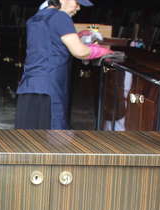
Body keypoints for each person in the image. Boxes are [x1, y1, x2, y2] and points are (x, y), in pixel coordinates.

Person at [14, 0, 113, 129]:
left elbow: (50, 43)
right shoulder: (61, 17)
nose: (78, 8)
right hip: (49, 90)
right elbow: (80, 51)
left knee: (28, 140)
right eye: (76, 3)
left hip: (28, 87)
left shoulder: (35, 18)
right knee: (53, 141)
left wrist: (77, 36)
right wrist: (103, 51)